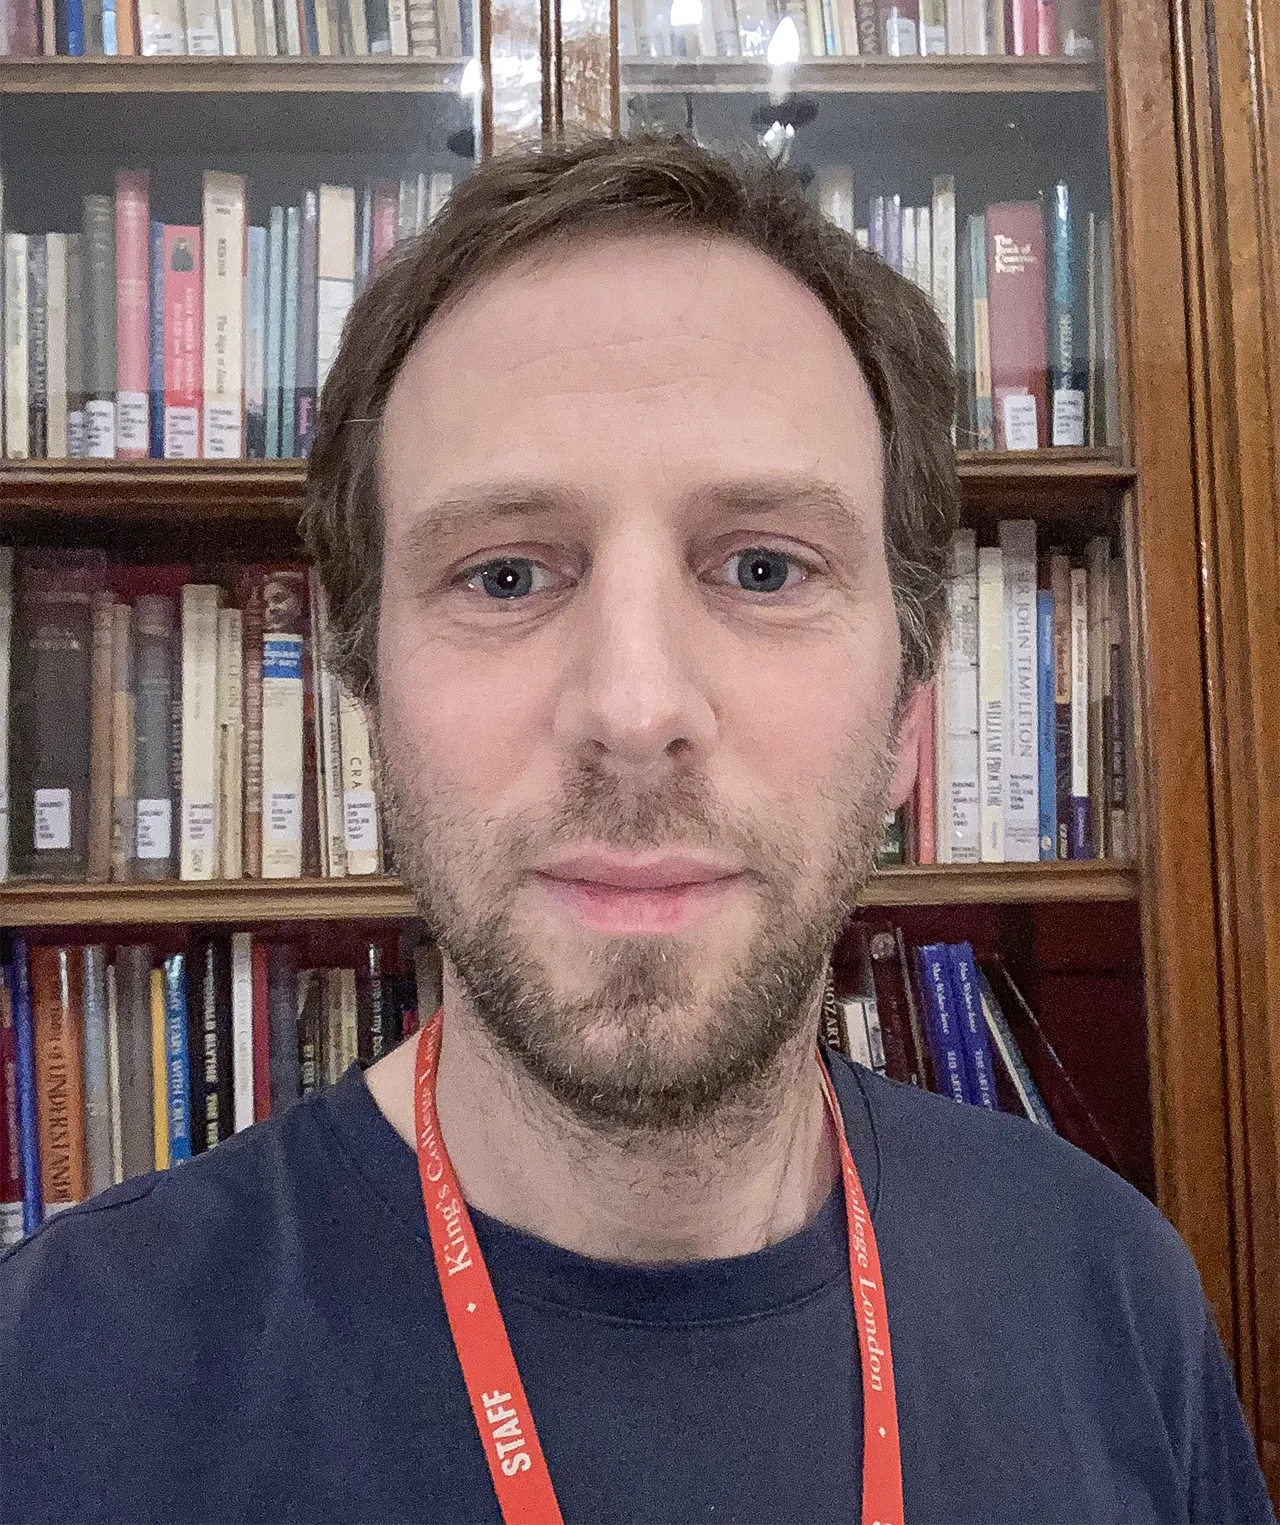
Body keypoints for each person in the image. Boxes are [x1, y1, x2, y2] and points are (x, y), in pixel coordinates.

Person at [0, 133, 1273, 1525]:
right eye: (503, 574)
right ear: (364, 695)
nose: (635, 705)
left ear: (913, 707)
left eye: (766, 566)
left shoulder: (1112, 1298)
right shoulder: (57, 1385)